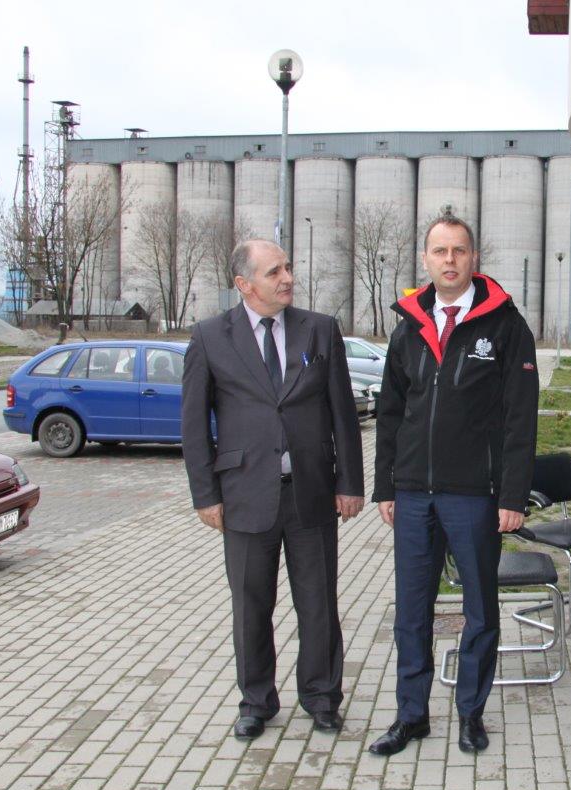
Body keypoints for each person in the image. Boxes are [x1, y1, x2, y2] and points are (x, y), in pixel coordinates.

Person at [368, 214, 538, 757]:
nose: (449, 260)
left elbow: (520, 419)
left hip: (473, 495)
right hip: (413, 494)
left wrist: (511, 496)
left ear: (473, 258)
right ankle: (411, 716)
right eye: (440, 251)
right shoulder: (408, 327)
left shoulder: (505, 326)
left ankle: (471, 713)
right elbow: (390, 414)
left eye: (458, 251)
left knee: (479, 608)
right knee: (411, 610)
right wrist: (386, 486)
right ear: (426, 259)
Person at [181, 238, 364, 741]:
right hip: (244, 494)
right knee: (251, 605)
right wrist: (205, 495)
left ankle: (322, 698)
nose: (287, 278)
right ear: (244, 284)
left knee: (318, 602)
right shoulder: (210, 337)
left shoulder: (320, 329)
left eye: (287, 267)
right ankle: (256, 702)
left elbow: (343, 414)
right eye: (274, 271)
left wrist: (349, 482)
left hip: (312, 492)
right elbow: (194, 425)